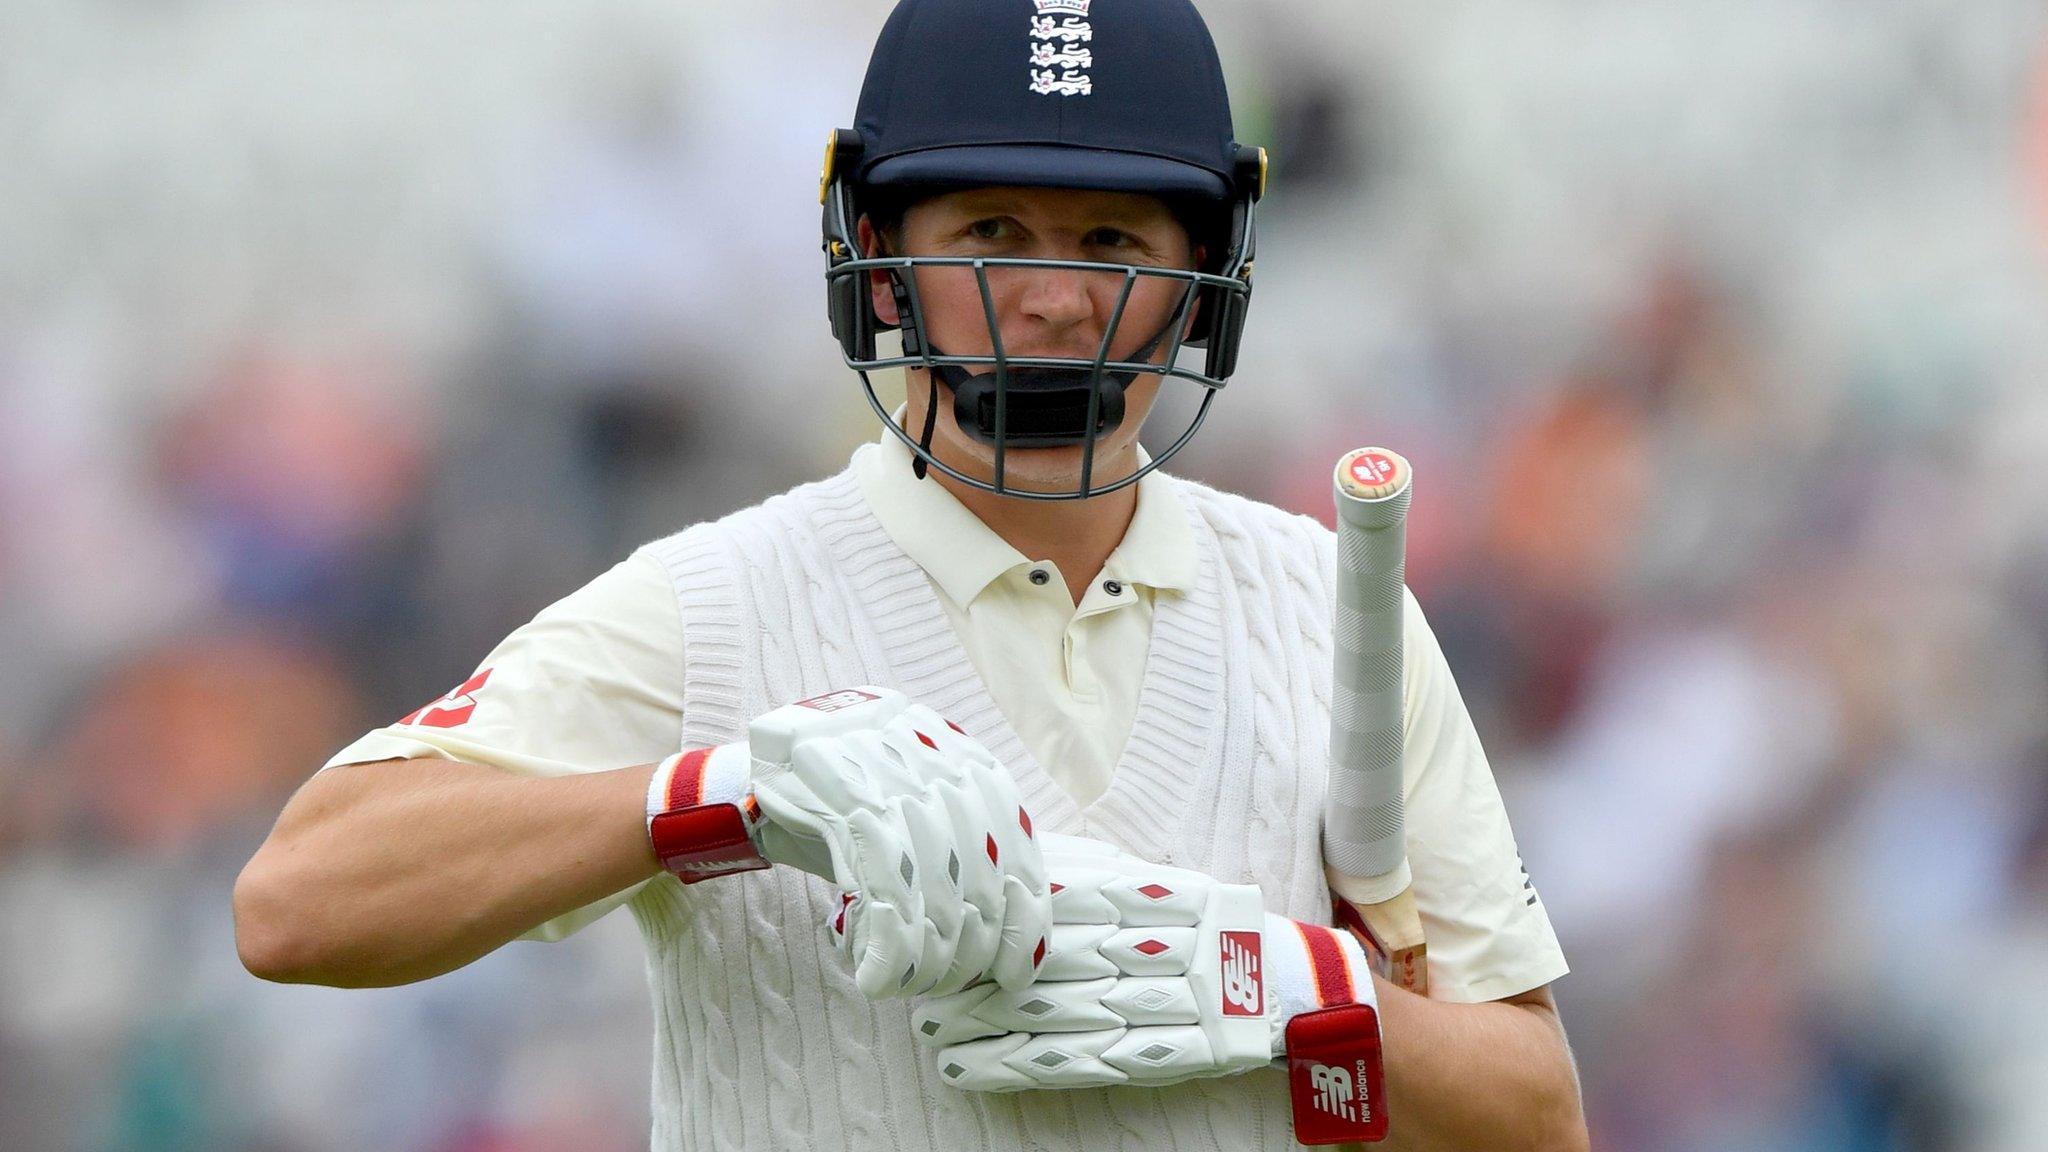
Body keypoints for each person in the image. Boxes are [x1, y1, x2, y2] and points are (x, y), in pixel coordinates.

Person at [233, 1, 1588, 1148]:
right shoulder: (721, 600)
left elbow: (1537, 1113)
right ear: (878, 253)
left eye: (1114, 241)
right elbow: (298, 903)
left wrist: (1297, 993)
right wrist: (711, 798)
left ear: (1203, 269)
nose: (1056, 295)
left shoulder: (1322, 608)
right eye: (995, 231)